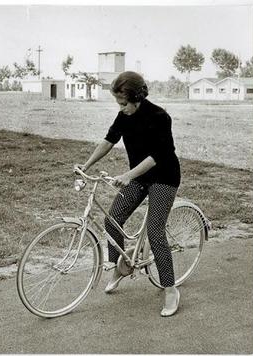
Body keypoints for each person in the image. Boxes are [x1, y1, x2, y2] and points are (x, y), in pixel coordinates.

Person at [75, 71, 181, 317]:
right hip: (139, 176)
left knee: (155, 232)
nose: (120, 108)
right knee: (111, 220)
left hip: (164, 177)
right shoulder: (124, 115)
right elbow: (109, 140)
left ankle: (170, 290)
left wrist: (128, 175)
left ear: (137, 98)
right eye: (117, 103)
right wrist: (86, 165)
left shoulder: (159, 117)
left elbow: (157, 156)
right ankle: (121, 267)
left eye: (123, 103)